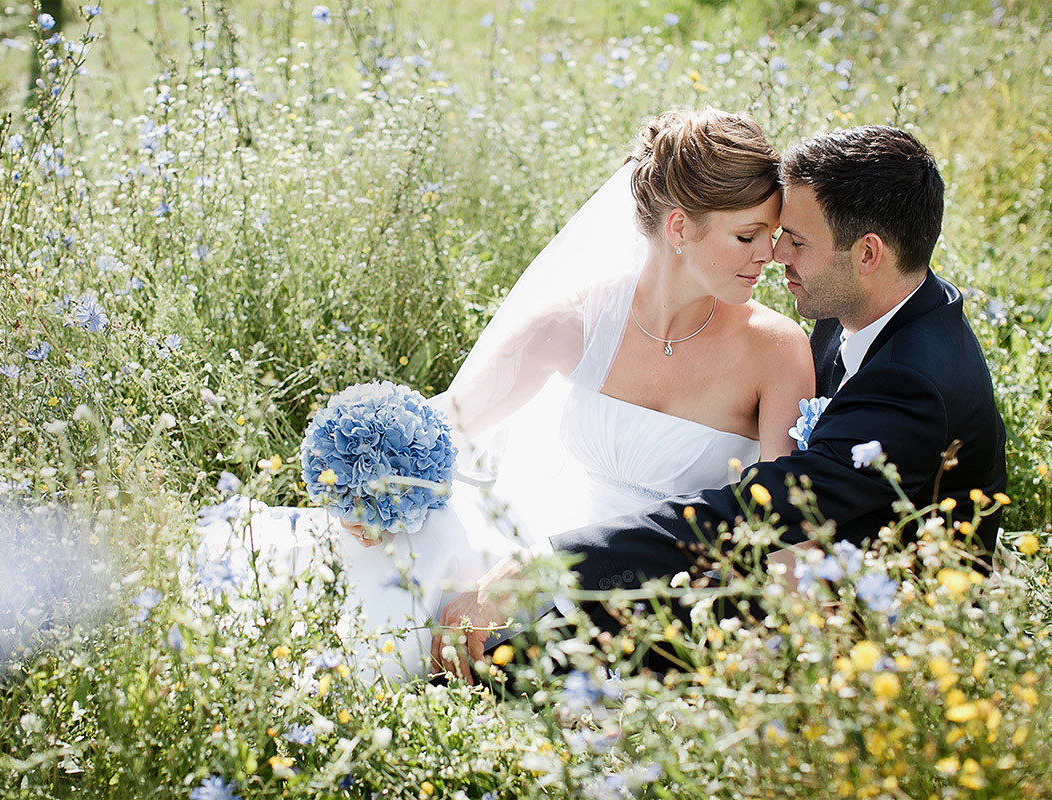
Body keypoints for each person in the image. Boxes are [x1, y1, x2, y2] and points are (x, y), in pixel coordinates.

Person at [196, 108, 814, 680]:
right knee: (419, 541)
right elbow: (448, 424)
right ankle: (295, 680)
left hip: (668, 573)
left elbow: (781, 519)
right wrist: (369, 487)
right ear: (679, 226)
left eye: (774, 234)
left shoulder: (776, 349)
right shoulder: (578, 319)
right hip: (542, 536)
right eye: (748, 237)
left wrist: (788, 648)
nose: (772, 256)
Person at [433, 125, 1008, 680]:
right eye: (762, 234)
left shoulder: (914, 379)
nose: (778, 255)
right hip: (743, 565)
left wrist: (551, 563)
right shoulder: (861, 310)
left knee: (497, 663)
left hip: (877, 628)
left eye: (796, 240)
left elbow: (766, 510)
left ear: (867, 253)